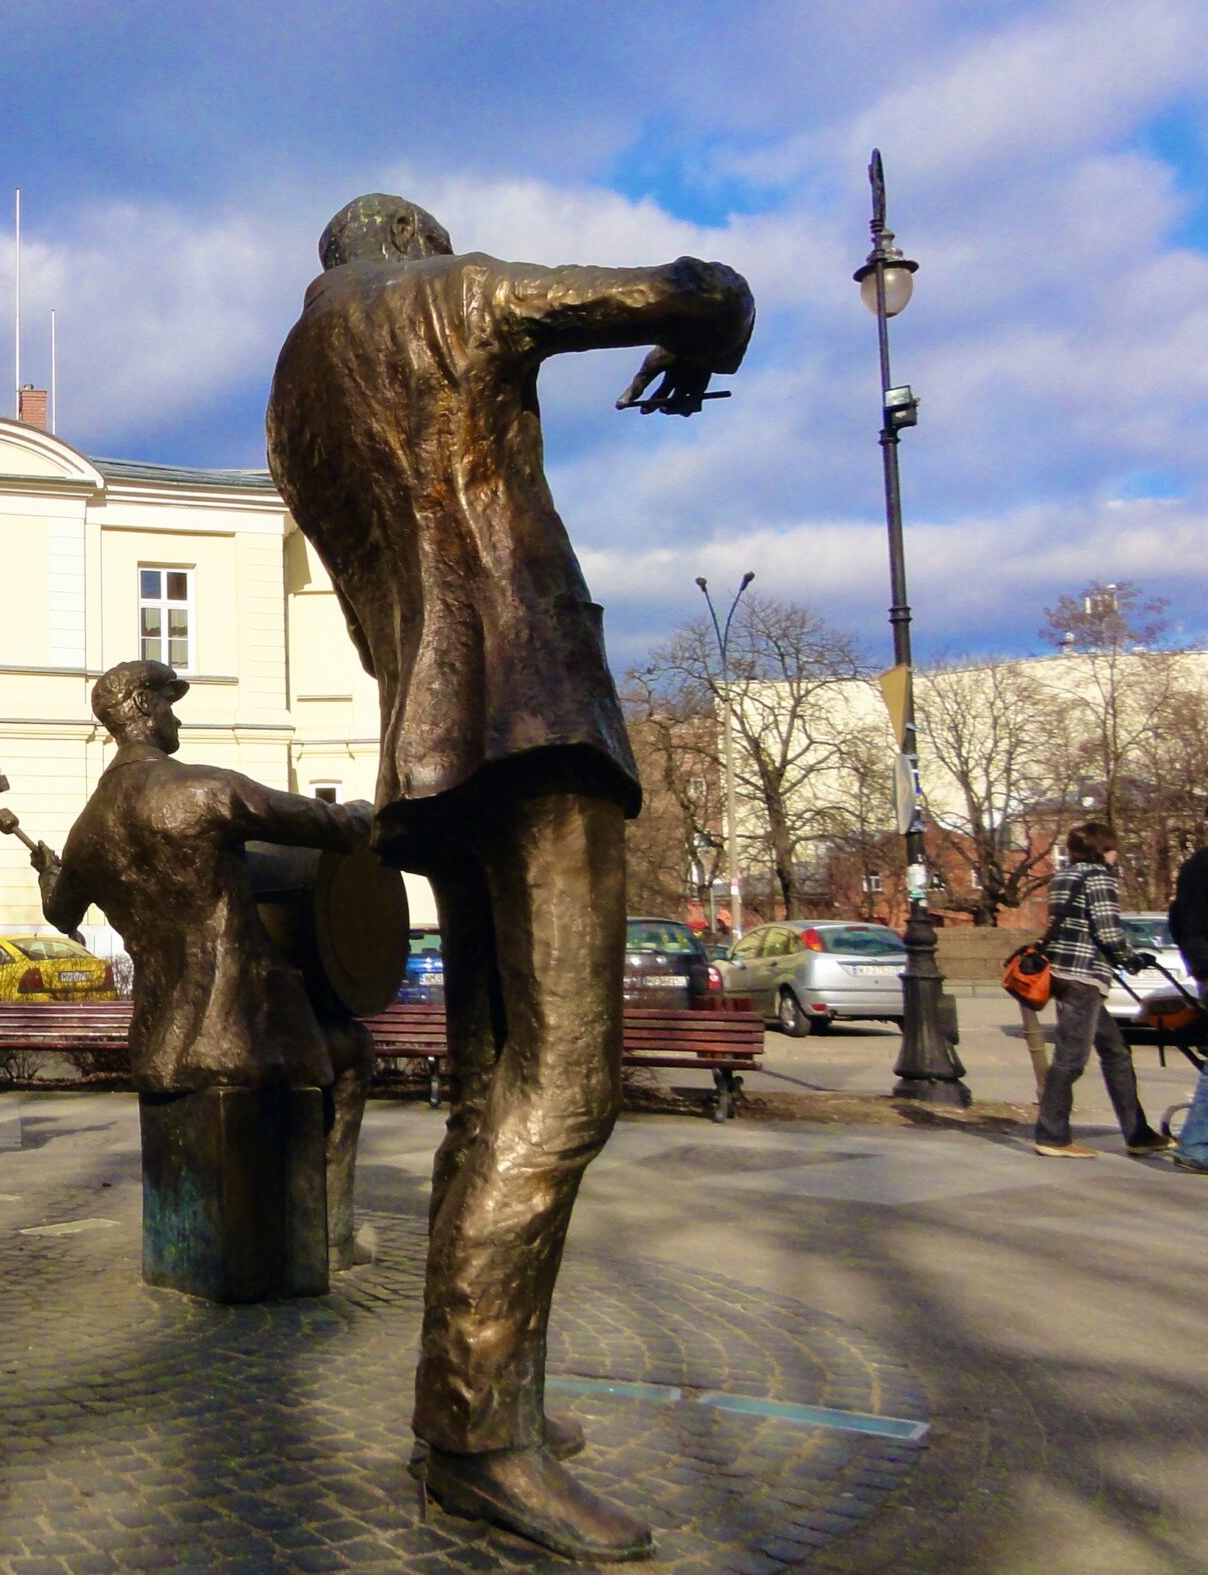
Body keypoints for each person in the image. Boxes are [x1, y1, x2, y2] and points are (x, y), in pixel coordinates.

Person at [264, 193, 755, 1563]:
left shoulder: (290, 390)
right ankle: (483, 1441)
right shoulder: (456, 293)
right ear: (414, 240)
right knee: (565, 1086)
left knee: (488, 1078)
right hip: (533, 718)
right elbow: (696, 287)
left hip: (426, 750)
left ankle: (474, 1401)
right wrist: (707, 340)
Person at [33, 660, 375, 1266]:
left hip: (161, 1039)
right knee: (352, 1056)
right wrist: (360, 813)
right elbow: (318, 824)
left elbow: (62, 914)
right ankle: (329, 1235)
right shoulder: (204, 789)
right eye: (169, 702)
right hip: (242, 1020)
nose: (176, 715)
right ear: (142, 705)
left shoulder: (88, 829)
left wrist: (49, 874)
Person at [1035, 818, 1172, 1160]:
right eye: (1113, 849)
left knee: (1116, 1053)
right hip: (1084, 975)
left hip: (1063, 971)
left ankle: (1138, 1133)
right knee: (1071, 1058)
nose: (1116, 855)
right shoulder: (1099, 878)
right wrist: (1129, 958)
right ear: (1103, 849)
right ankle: (1051, 1135)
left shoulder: (1064, 877)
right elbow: (1108, 931)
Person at [1160, 840, 1208, 1172]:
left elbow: (1178, 919)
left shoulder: (1195, 865)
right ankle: (1196, 1143)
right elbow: (1185, 921)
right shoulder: (1201, 867)